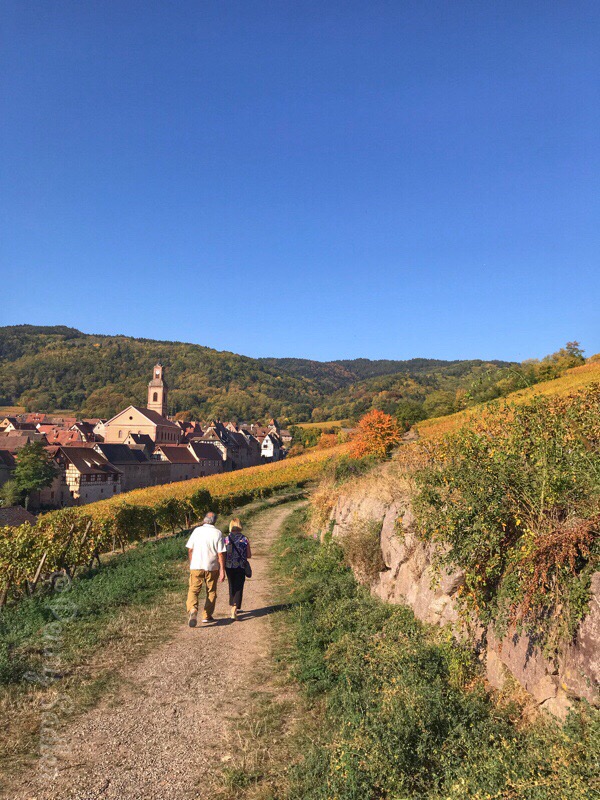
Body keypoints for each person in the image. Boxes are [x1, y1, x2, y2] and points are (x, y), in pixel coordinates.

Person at [185, 511, 226, 627]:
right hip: (212, 567)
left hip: (196, 566)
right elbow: (221, 554)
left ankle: (193, 609)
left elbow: (190, 549)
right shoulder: (218, 533)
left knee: (193, 590)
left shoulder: (196, 531)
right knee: (211, 591)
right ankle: (207, 615)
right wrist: (222, 570)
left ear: (204, 520)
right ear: (215, 521)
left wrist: (192, 563)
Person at [224, 518, 251, 620]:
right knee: (239, 586)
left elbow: (223, 553)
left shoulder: (225, 539)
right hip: (240, 566)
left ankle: (232, 604)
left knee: (231, 584)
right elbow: (249, 555)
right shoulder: (244, 539)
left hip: (229, 566)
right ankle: (234, 608)